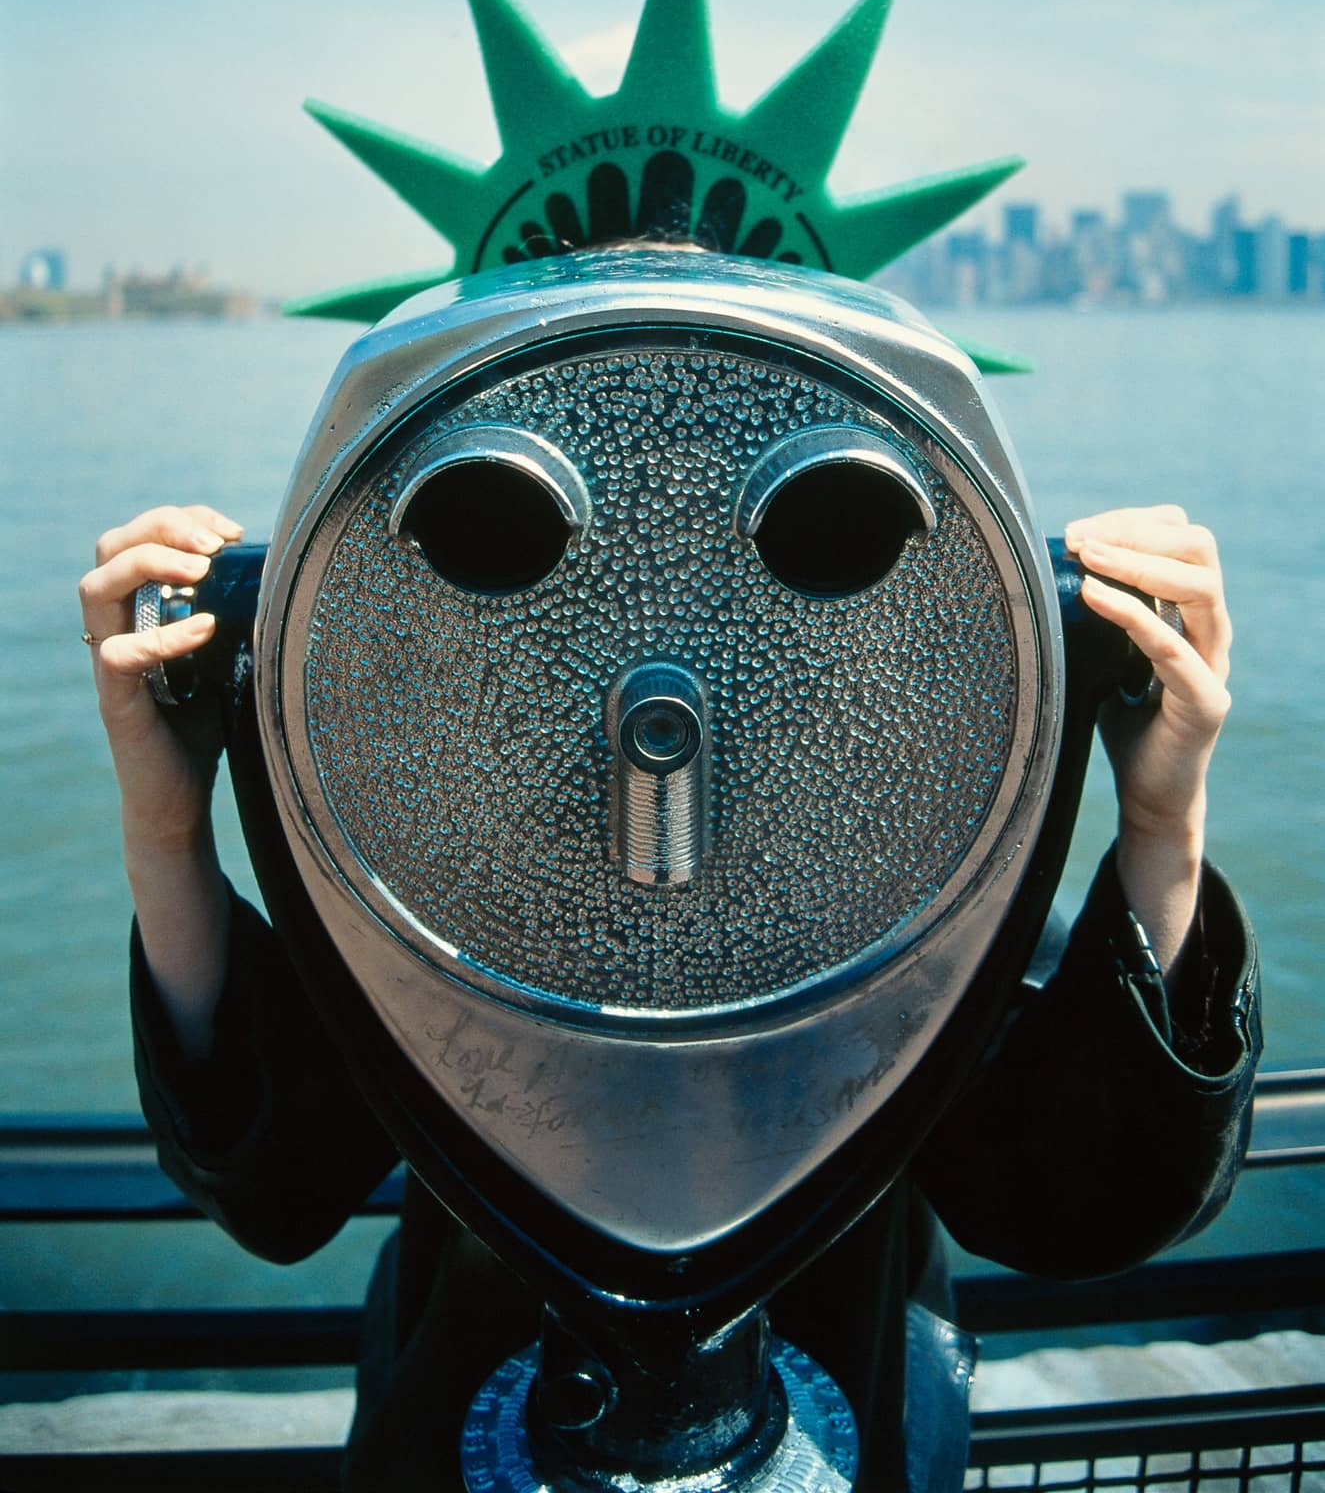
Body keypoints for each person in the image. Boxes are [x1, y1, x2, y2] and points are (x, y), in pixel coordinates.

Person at [79, 501, 1260, 1492]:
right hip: (449, 1410)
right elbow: (278, 1178)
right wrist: (169, 823)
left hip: (855, 1399)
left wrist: (1161, 819)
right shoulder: (456, 835)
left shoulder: (890, 830)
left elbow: (1076, 1196)